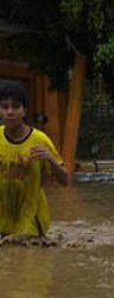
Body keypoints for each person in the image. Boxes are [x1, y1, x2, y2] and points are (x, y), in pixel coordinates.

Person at [0, 80, 69, 240]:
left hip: (32, 222)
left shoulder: (40, 140)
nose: (10, 112)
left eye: (15, 106)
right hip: (3, 222)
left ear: (24, 111)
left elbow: (65, 181)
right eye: (5, 106)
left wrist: (51, 160)